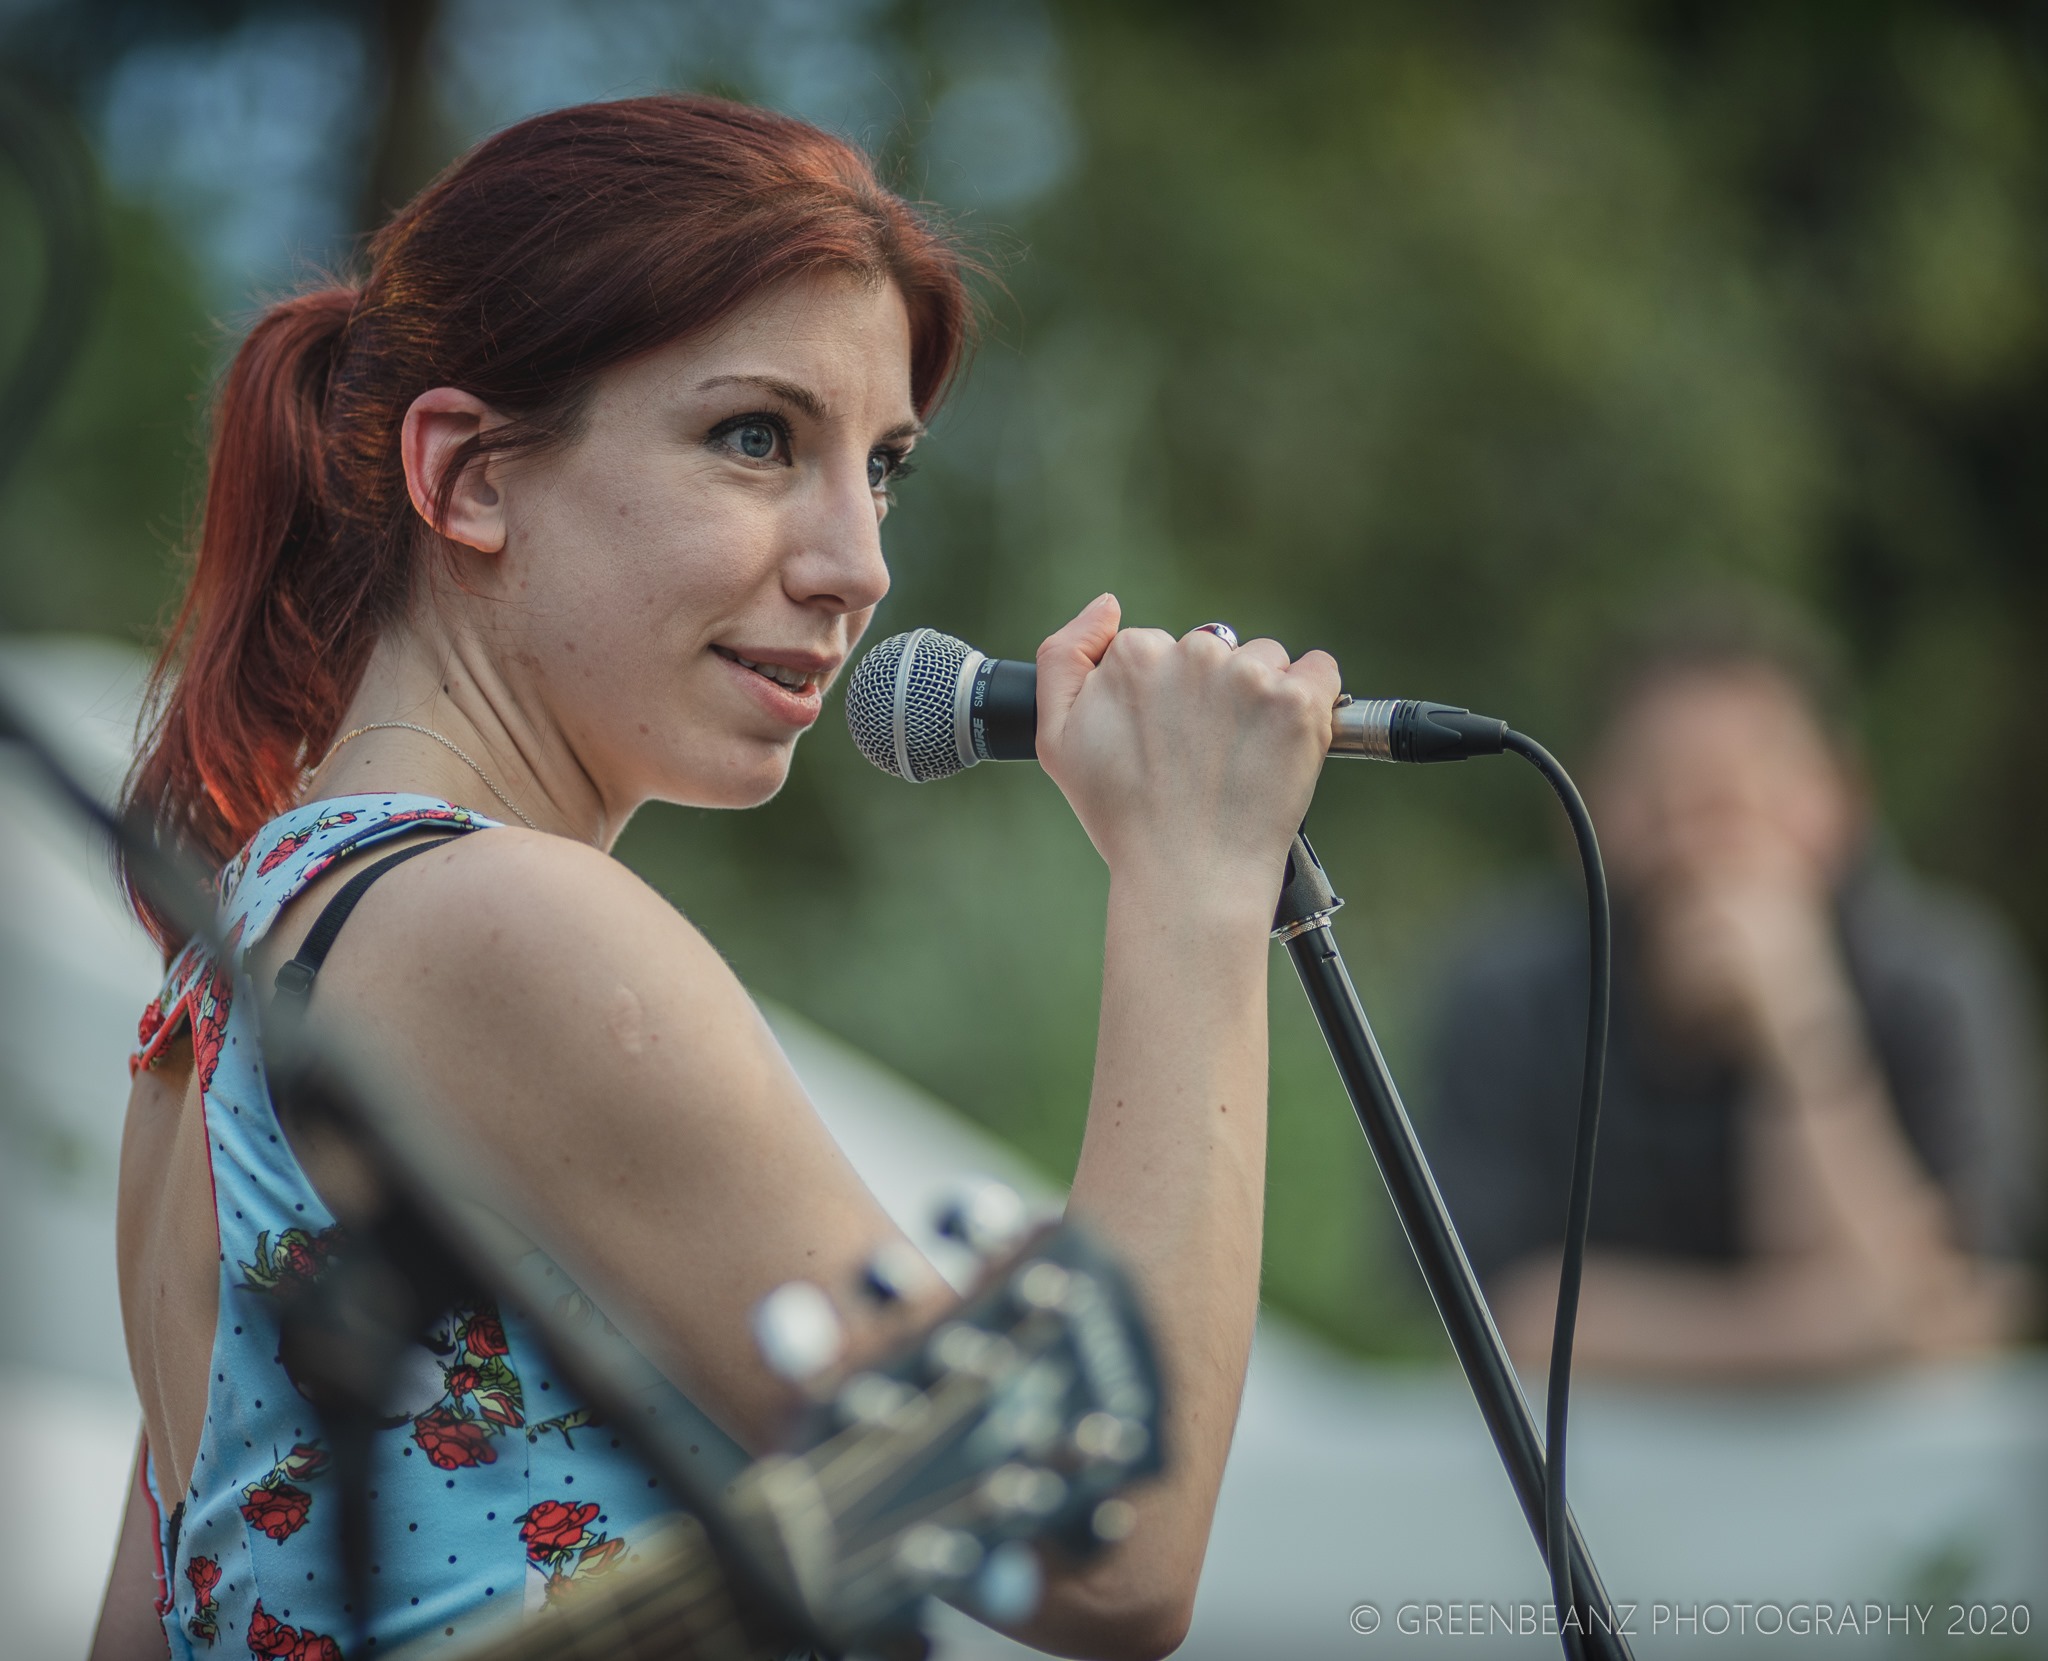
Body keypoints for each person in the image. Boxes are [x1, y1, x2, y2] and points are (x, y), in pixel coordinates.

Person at [91, 97, 1342, 1660]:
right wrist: (1198, 888)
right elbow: (1103, 1546)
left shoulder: (233, 971)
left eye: (880, 466)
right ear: (470, 476)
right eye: (756, 438)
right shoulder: (510, 925)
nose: (858, 561)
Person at [1425, 603, 2040, 1380]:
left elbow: (1968, 1313)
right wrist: (1827, 1334)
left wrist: (1799, 1024)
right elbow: (1499, 1318)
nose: (1703, 832)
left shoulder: (1944, 975)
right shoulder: (1505, 989)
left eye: (1747, 787)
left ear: (1844, 795)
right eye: (1659, 787)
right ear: (1585, 802)